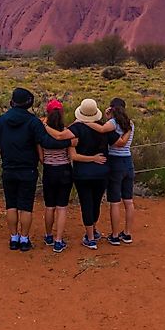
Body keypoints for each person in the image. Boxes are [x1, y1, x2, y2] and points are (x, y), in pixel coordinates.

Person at [0, 88, 72, 252]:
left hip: (9, 168)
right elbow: (46, 142)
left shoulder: (2, 120)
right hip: (28, 170)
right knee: (25, 206)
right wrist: (68, 143)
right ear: (29, 104)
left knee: (11, 204)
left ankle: (13, 238)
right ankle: (24, 239)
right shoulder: (33, 122)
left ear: (12, 102)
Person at [64, 98, 121, 250]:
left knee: (86, 203)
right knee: (96, 202)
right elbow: (119, 141)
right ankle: (93, 230)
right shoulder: (103, 128)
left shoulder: (75, 129)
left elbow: (72, 154)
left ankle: (90, 238)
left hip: (82, 173)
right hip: (102, 172)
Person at [82, 98, 135, 245]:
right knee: (129, 201)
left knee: (114, 201)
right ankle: (128, 233)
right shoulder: (130, 124)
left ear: (111, 108)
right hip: (128, 161)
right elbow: (122, 141)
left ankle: (115, 235)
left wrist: (85, 122)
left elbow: (101, 129)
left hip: (115, 162)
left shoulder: (112, 123)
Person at [36, 99, 73, 253]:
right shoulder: (67, 133)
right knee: (62, 207)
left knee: (49, 206)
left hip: (49, 171)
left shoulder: (42, 134)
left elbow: (42, 159)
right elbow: (71, 156)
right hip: (64, 170)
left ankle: (49, 235)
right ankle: (58, 241)